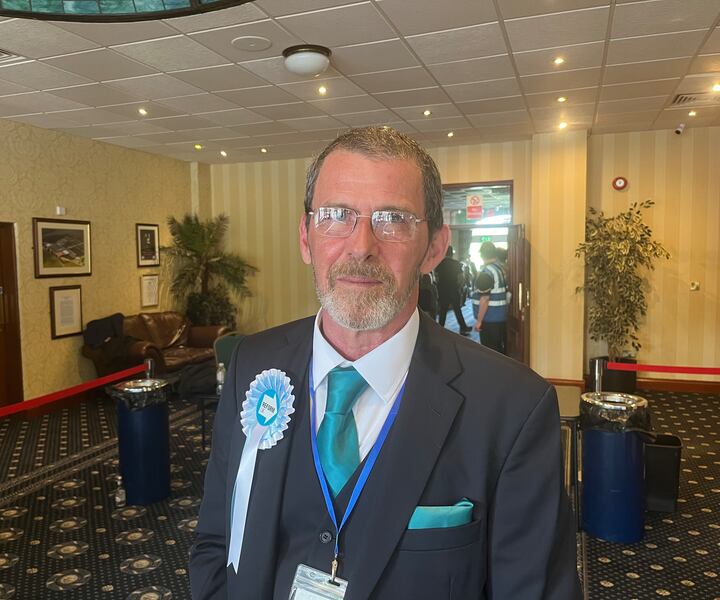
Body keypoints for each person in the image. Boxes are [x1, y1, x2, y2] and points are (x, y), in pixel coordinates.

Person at [190, 127, 580, 599]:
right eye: (336, 216)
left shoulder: (513, 407)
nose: (360, 246)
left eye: (392, 219)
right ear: (306, 237)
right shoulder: (253, 364)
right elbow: (216, 539)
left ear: (434, 247)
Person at [472, 242, 509, 355]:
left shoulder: (486, 272)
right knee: (499, 350)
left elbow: (485, 299)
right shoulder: (500, 269)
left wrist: (479, 321)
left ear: (482, 255)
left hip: (490, 318)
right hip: (500, 316)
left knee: (490, 352)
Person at [435, 246, 471, 334]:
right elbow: (460, 278)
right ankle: (463, 328)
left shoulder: (439, 263)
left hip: (442, 290)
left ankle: (440, 330)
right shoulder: (456, 264)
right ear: (452, 253)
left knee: (443, 311)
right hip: (454, 289)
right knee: (457, 309)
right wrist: (460, 287)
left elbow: (436, 277)